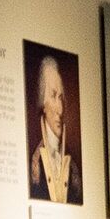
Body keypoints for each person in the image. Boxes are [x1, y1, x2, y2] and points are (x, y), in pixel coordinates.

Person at [26, 50, 81, 204]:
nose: (60, 109)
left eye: (61, 98)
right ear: (42, 103)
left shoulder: (73, 166)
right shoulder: (34, 161)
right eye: (53, 96)